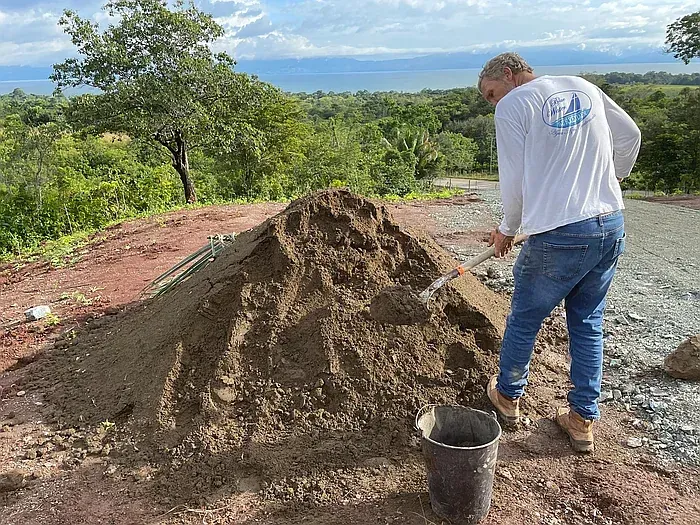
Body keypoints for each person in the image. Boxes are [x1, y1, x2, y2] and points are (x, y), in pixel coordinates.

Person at [478, 52, 641, 453]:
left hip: (559, 234)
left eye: (492, 93)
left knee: (524, 317)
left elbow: (512, 179)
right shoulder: (584, 87)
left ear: (509, 75)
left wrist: (507, 229)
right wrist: (612, 179)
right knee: (587, 322)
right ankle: (582, 419)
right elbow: (631, 136)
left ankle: (508, 396)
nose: (494, 103)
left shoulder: (515, 105)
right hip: (609, 222)